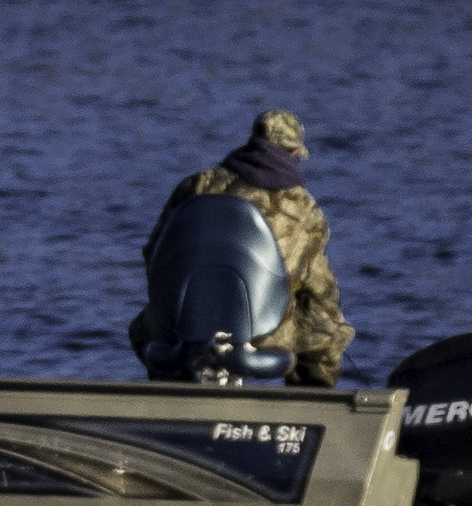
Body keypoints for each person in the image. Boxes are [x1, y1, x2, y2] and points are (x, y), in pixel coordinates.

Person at [128, 108, 354, 386]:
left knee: (150, 323)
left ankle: (170, 403)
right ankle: (313, 404)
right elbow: (321, 289)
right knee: (324, 323)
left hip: (183, 332)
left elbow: (156, 256)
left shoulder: (197, 185)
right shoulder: (302, 205)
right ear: (293, 154)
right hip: (267, 334)